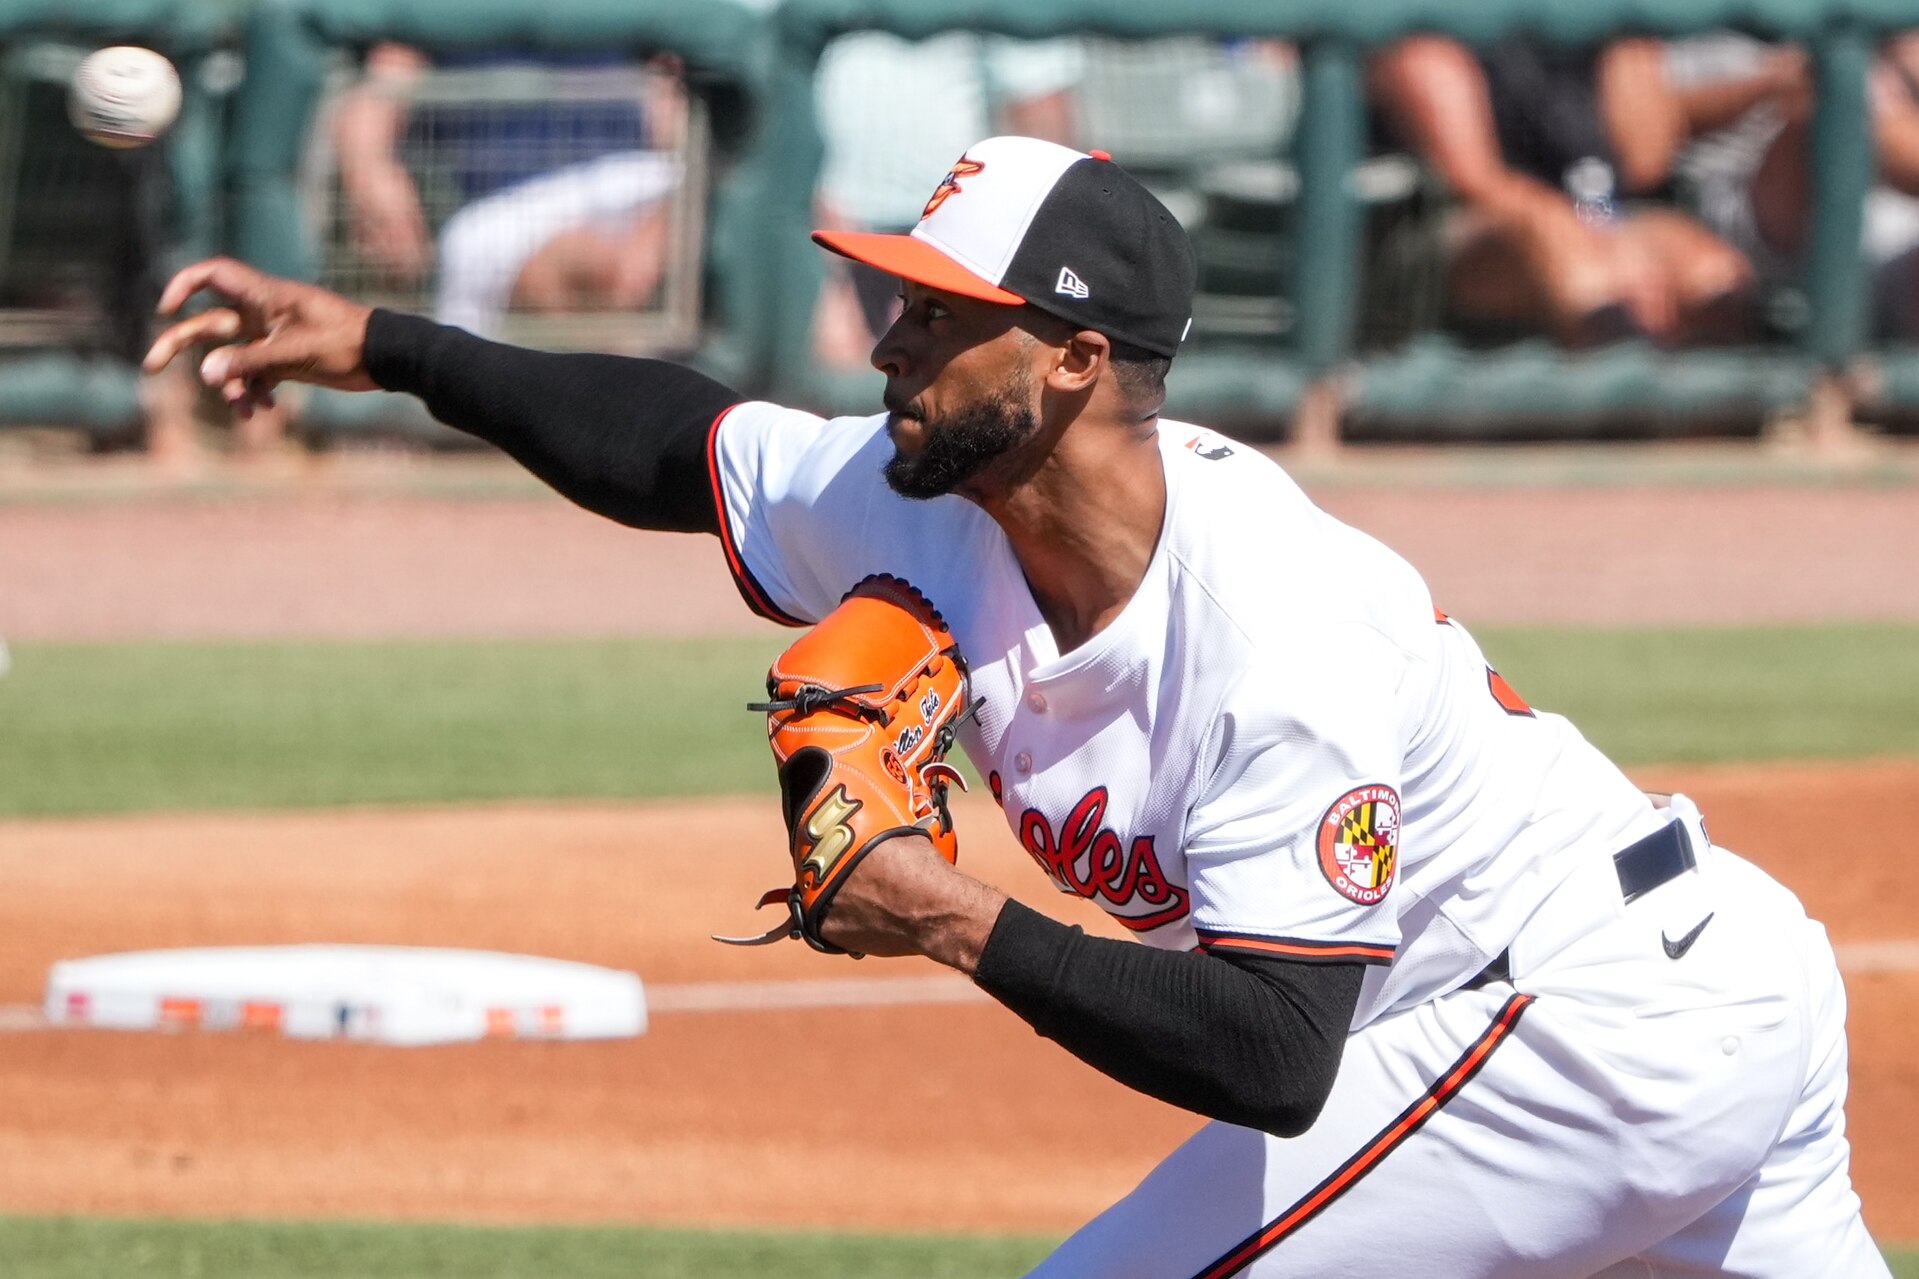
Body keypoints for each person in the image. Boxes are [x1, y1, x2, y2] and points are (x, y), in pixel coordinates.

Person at [143, 135, 1885, 1276]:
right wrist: (387, 344)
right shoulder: (921, 488)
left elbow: (1273, 1060)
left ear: (1066, 361)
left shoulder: (1269, 620)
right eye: (898, 295)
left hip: (1577, 1016)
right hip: (1656, 997)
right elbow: (679, 445)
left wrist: (946, 913)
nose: (887, 337)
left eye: (936, 310)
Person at [1370, 35, 1758, 347]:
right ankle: (1630, 425)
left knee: (1712, 274)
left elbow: (1646, 161)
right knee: (1567, 253)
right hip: (1458, 240)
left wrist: (1627, 39)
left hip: (1604, 217)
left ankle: (1711, 425)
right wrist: (1601, 243)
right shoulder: (1431, 34)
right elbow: (1475, 182)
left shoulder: (1594, 31)